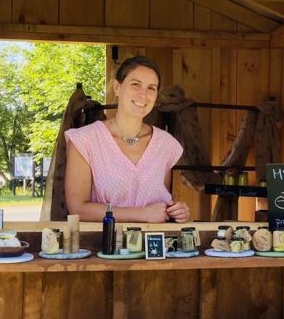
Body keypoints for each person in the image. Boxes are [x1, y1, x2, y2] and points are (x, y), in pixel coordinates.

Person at [64, 55, 190, 223]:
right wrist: (140, 214)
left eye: (151, 88)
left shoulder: (166, 145)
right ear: (117, 87)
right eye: (135, 84)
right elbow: (78, 209)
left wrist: (176, 211)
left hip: (152, 246)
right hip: (102, 245)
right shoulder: (85, 140)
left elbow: (159, 206)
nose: (143, 94)